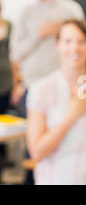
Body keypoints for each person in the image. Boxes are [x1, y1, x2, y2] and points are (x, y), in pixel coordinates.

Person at [10, 0, 84, 117]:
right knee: (34, 137)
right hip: (31, 86)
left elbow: (82, 48)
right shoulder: (27, 11)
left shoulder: (72, 11)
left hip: (65, 87)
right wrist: (39, 34)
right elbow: (15, 53)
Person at [26, 19, 86, 185]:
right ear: (57, 45)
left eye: (82, 41)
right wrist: (71, 116)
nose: (75, 47)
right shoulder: (42, 89)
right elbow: (37, 152)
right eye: (68, 41)